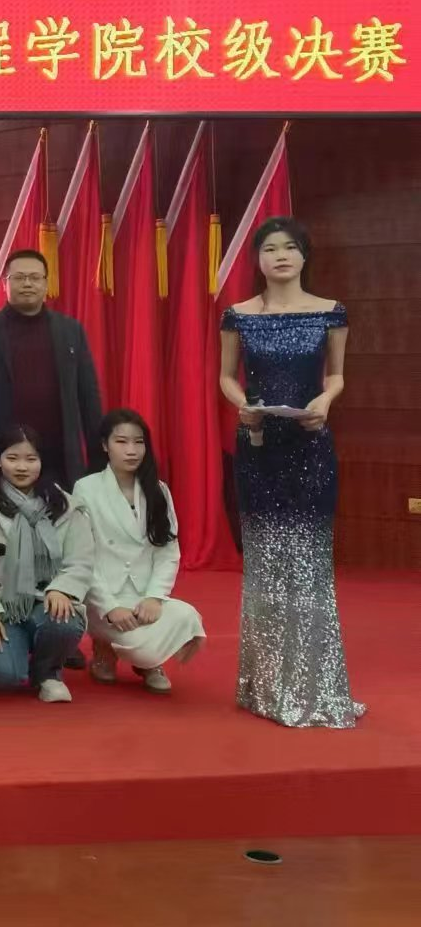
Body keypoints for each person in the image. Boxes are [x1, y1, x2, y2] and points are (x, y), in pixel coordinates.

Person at [219, 217, 360, 729]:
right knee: (265, 563)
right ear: (257, 260)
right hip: (258, 445)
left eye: (290, 247)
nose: (280, 256)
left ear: (304, 256)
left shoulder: (330, 311)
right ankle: (265, 687)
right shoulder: (238, 315)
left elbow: (336, 375)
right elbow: (226, 377)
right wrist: (243, 406)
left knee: (309, 564)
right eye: (270, 249)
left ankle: (316, 687)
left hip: (310, 442)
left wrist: (325, 400)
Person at [75, 409, 206, 692]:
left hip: (143, 597)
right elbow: (82, 557)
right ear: (105, 445)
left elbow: (168, 551)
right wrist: (110, 607)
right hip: (105, 598)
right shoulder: (86, 489)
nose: (131, 450)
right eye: (121, 442)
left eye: (139, 442)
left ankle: (147, 659)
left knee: (189, 617)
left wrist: (154, 597)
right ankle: (105, 644)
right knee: (143, 648)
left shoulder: (158, 490)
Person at [0, 425, 93, 703]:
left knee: (65, 622)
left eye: (30, 458)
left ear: (41, 461)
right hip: (3, 607)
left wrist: (62, 588)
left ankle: (48, 673)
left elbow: (81, 561)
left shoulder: (66, 506)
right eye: (13, 458)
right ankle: (17, 652)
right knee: (3, 677)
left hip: (47, 603)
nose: (22, 467)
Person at [0, 250, 105, 488]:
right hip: (3, 455)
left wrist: (97, 457)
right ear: (4, 284)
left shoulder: (70, 330)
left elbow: (88, 395)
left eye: (35, 277)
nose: (27, 283)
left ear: (46, 283)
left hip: (60, 455)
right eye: (19, 277)